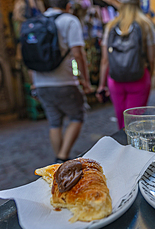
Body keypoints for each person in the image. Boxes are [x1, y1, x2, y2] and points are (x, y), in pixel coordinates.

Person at [31, 0, 92, 163]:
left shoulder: (36, 21)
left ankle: (58, 163)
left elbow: (31, 56)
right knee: (77, 116)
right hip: (64, 82)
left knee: (54, 123)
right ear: (68, 5)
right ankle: (62, 157)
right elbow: (78, 54)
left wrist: (34, 82)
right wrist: (85, 80)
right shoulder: (69, 20)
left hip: (42, 83)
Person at [96, 0, 155, 129]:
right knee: (135, 122)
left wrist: (101, 85)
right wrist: (150, 74)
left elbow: (105, 60)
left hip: (115, 79)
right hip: (139, 77)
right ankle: (134, 147)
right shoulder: (146, 24)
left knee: (121, 120)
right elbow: (152, 58)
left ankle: (123, 145)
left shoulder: (111, 26)